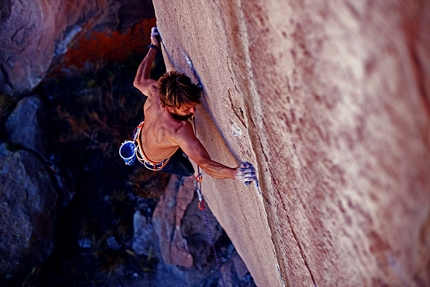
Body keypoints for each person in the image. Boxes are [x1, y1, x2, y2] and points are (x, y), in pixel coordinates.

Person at [131, 27, 256, 185]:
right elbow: (204, 163)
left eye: (192, 105)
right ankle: (174, 156)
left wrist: (153, 46)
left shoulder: (156, 92)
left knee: (172, 143)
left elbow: (139, 81)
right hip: (156, 160)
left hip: (141, 136)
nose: (193, 111)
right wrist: (235, 173)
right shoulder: (179, 130)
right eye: (186, 109)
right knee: (188, 170)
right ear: (169, 107)